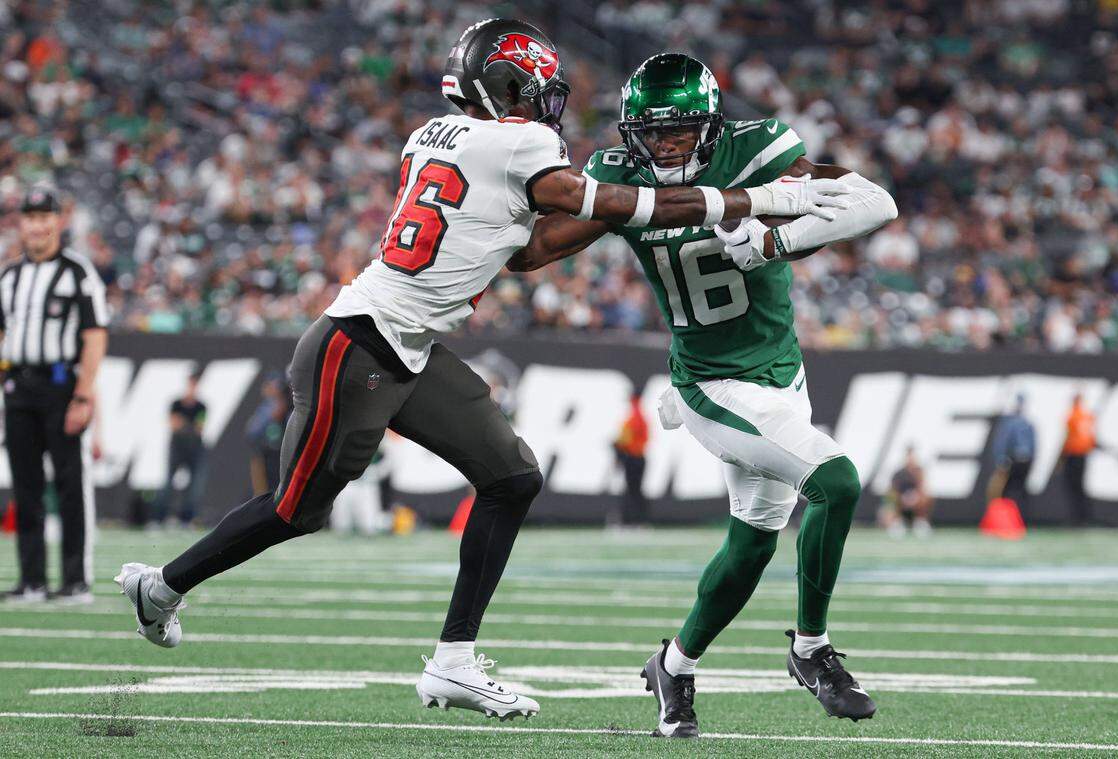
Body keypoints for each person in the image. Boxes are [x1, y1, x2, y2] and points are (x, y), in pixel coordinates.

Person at [113, 19, 843, 722]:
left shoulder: (431, 133)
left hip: (408, 347)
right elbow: (616, 203)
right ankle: (163, 586)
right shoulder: (517, 141)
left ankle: (453, 658)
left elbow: (527, 246)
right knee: (295, 509)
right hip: (358, 344)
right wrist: (754, 198)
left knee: (512, 477)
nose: (542, 105)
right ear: (500, 89)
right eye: (532, 89)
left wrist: (601, 214)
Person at [510, 53, 896, 735]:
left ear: (712, 127)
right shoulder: (619, 179)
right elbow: (532, 250)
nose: (664, 146)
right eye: (652, 134)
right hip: (711, 382)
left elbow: (874, 202)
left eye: (680, 132)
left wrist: (775, 239)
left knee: (751, 545)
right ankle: (811, 651)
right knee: (835, 480)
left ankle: (675, 666)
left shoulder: (759, 152)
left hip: (783, 375)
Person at [1, 186, 108, 603]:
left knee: (69, 484)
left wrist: (82, 397)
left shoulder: (78, 272)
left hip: (62, 385)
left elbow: (95, 336)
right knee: (25, 486)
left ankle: (75, 579)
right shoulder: (10, 275)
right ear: (21, 223)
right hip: (18, 386)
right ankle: (31, 580)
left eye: (46, 216)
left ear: (58, 222)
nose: (38, 225)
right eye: (31, 217)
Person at [152, 370, 208, 528]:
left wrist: (184, 424)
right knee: (168, 483)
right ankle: (158, 518)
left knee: (195, 486)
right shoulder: (176, 404)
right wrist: (187, 425)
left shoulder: (201, 406)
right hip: (177, 447)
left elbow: (200, 428)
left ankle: (186, 519)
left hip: (195, 449)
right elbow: (174, 424)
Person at [991, 394, 1036, 512]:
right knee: (1020, 489)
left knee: (1010, 490)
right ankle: (1019, 517)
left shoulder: (1010, 423)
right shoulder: (1026, 423)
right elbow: (1033, 445)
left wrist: (1001, 460)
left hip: (1014, 460)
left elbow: (1002, 442)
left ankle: (1010, 517)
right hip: (1025, 461)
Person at [612, 393, 650, 528]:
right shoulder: (641, 417)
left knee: (632, 490)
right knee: (635, 490)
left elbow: (625, 439)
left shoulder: (634, 417)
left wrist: (616, 445)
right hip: (639, 457)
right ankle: (638, 520)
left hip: (633, 457)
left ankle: (632, 520)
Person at [1058, 393, 1095, 525]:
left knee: (1073, 487)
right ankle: (1084, 517)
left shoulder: (1073, 415)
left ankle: (1077, 518)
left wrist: (1061, 457)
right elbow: (1091, 438)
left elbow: (1067, 437)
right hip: (1083, 455)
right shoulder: (1088, 415)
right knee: (1080, 487)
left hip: (1073, 454)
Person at [884, 446, 932, 537]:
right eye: (909, 457)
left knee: (926, 497)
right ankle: (897, 523)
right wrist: (902, 498)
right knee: (891, 498)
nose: (911, 459)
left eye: (912, 457)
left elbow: (922, 488)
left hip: (916, 500)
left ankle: (920, 522)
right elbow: (892, 489)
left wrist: (913, 497)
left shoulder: (919, 472)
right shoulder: (898, 473)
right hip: (901, 500)